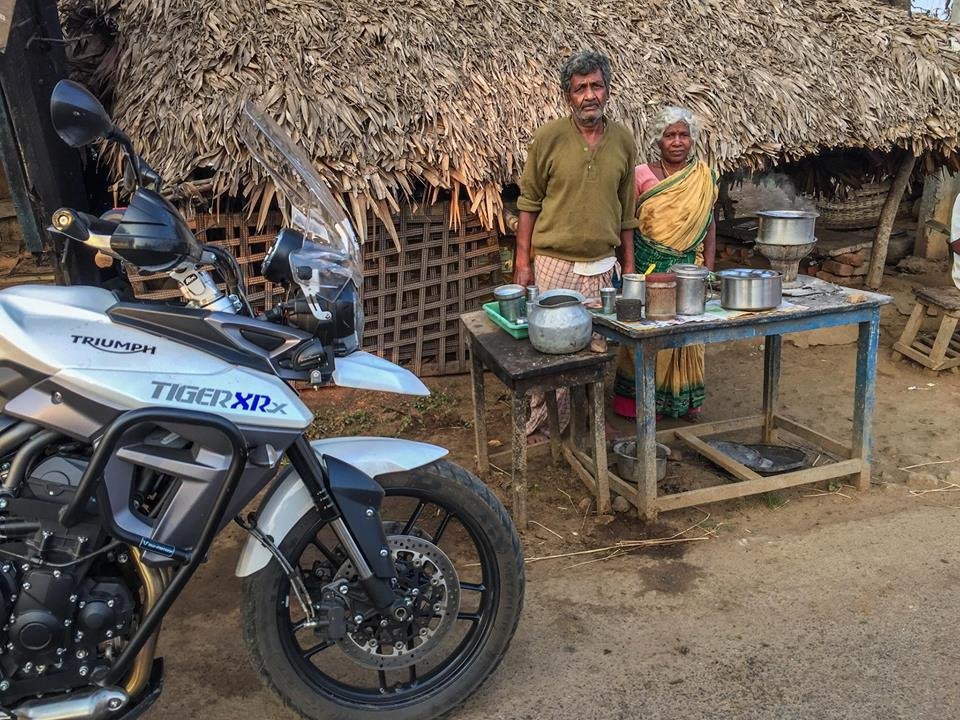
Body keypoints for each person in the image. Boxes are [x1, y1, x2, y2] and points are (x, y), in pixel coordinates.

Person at [514, 49, 638, 438]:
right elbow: (529, 203)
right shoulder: (548, 138)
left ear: (608, 90)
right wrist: (523, 263)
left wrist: (629, 266)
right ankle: (544, 427)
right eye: (580, 88)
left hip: (603, 266)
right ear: (568, 95)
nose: (589, 95)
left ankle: (589, 424)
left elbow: (627, 211)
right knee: (550, 352)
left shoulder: (622, 140)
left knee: (597, 351)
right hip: (554, 263)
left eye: (596, 86)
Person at [612, 106, 718, 421]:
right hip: (648, 267)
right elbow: (626, 222)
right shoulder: (641, 174)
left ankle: (685, 402)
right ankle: (644, 403)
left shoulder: (704, 177)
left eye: (683, 135)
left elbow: (709, 224)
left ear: (692, 139)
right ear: (658, 140)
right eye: (670, 135)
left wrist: (708, 266)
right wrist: (628, 265)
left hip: (688, 268)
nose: (676, 141)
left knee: (689, 334)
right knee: (647, 334)